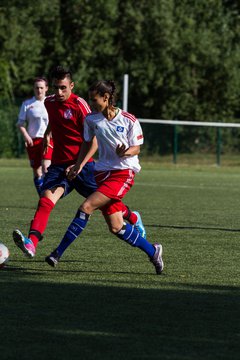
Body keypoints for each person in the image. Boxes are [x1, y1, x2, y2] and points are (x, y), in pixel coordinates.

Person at [13, 67, 146, 258]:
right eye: (56, 88)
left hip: (82, 166)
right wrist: (48, 134)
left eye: (63, 88)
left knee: (107, 205)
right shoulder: (49, 103)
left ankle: (133, 217)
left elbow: (92, 140)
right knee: (45, 200)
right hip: (59, 165)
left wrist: (79, 165)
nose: (59, 92)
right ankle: (32, 243)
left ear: (71, 86)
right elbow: (54, 119)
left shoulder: (80, 105)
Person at [45, 80, 164, 274]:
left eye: (94, 100)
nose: (91, 104)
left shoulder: (128, 119)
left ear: (106, 98)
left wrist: (126, 152)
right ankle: (153, 251)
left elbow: (137, 148)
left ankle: (56, 254)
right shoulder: (91, 120)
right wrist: (78, 165)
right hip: (101, 174)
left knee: (86, 207)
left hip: (123, 173)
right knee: (116, 227)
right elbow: (86, 144)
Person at [17, 77, 53, 195]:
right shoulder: (27, 104)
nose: (39, 90)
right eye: (37, 87)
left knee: (46, 169)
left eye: (41, 87)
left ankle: (47, 197)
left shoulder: (51, 102)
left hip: (48, 140)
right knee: (37, 172)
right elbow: (20, 124)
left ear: (46, 88)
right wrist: (26, 136)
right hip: (33, 141)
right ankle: (42, 196)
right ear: (34, 89)